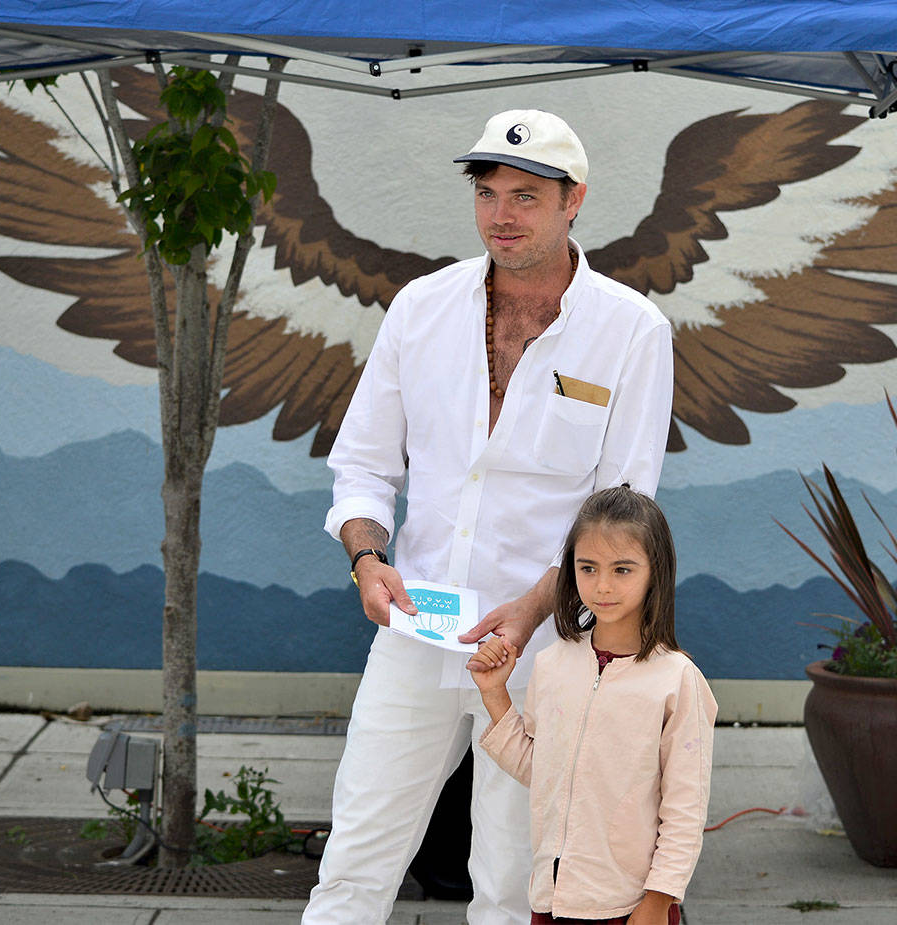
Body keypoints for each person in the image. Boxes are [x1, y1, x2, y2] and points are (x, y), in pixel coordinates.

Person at [302, 109, 675, 925]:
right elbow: (363, 461)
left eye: (526, 196)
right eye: (488, 193)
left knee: (511, 877)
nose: (502, 214)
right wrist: (368, 561)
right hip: (418, 622)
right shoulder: (422, 307)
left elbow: (625, 511)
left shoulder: (632, 331)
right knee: (356, 853)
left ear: (574, 200)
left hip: (544, 649)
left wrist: (541, 602)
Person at [468, 485, 717, 925]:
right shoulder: (553, 662)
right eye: (588, 568)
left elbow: (685, 807)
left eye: (623, 569)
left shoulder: (678, 680)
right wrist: (495, 696)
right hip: (552, 897)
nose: (603, 585)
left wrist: (659, 898)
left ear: (655, 572)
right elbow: (544, 771)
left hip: (630, 905)